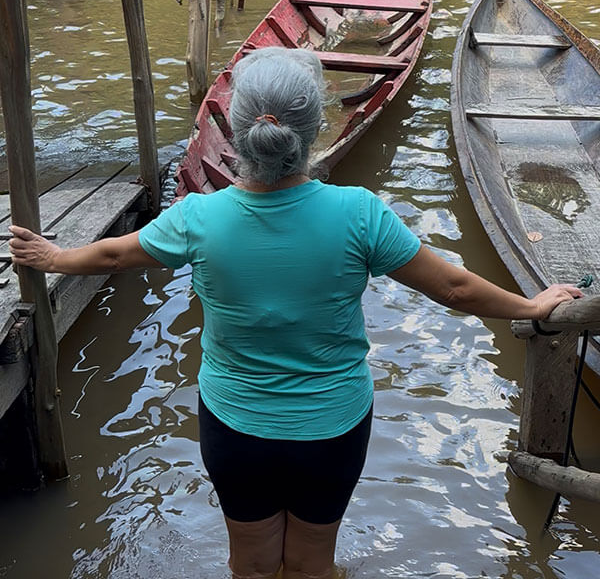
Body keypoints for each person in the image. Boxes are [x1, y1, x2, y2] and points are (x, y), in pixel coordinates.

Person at [9, 46, 582, 579]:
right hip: (332, 429)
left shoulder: (197, 219)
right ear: (316, 132)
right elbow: (455, 289)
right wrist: (530, 305)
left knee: (251, 566)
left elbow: (114, 253)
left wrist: (54, 257)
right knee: (312, 566)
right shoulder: (359, 213)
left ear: (235, 130)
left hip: (237, 429)